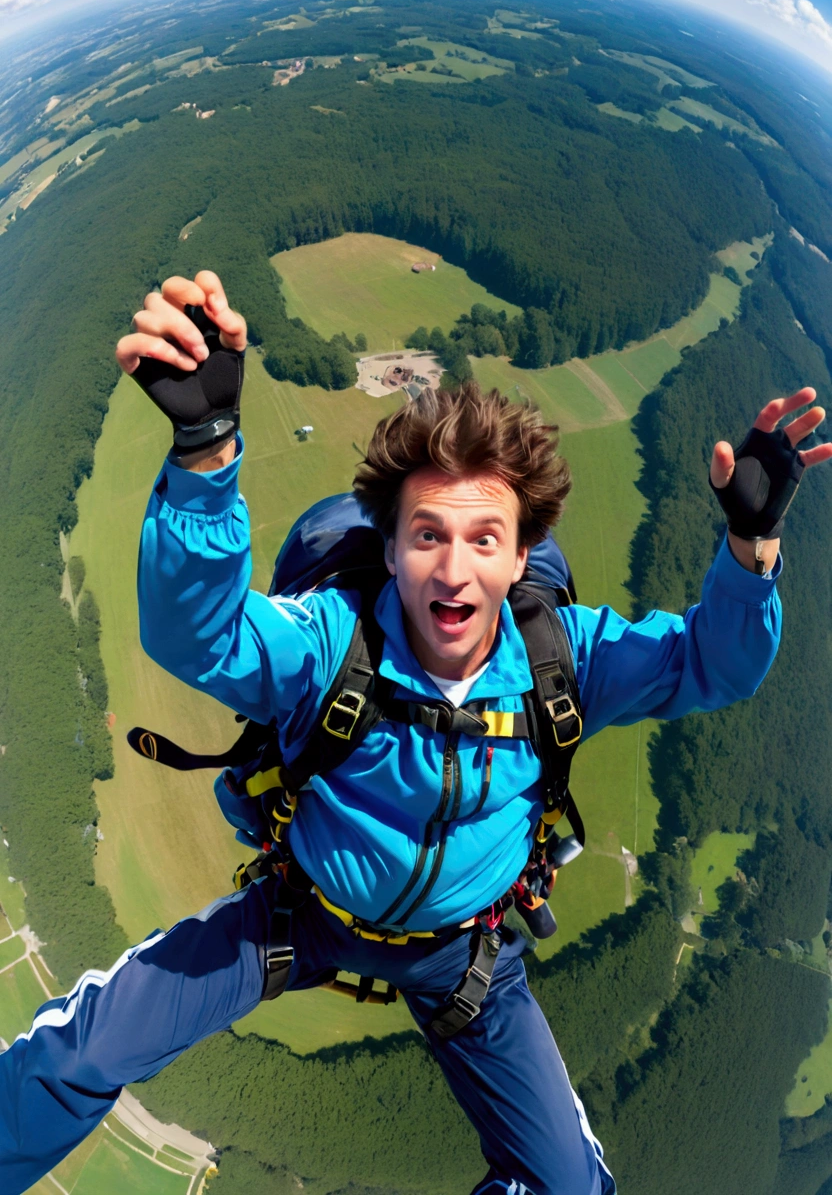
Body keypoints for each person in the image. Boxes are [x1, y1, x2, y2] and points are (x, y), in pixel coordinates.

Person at [1, 270, 830, 1195]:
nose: (453, 569)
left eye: (484, 540)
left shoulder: (564, 658)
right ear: (389, 548)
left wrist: (753, 551)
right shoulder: (332, 645)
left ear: (520, 557)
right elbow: (202, 635)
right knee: (75, 1057)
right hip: (301, 916)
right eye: (427, 535)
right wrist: (203, 453)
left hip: (462, 955)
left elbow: (716, 665)